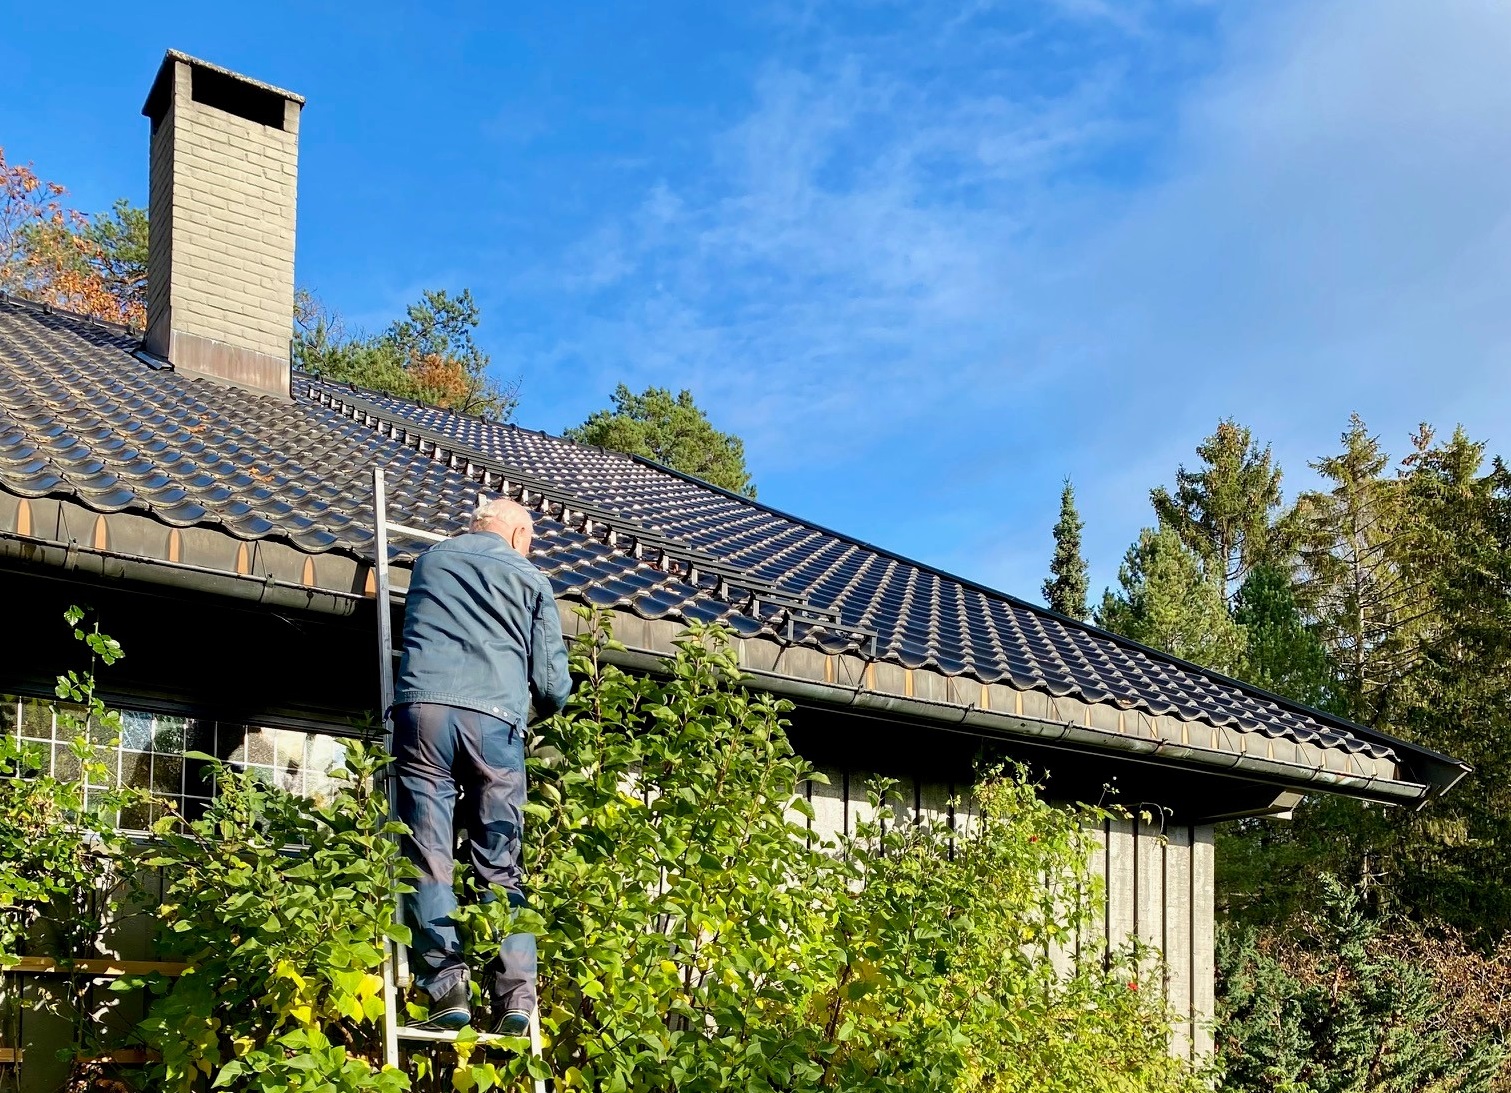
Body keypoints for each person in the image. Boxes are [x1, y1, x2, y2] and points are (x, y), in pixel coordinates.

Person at [392, 494, 571, 1034]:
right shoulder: (530, 578)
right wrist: (523, 708)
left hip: (422, 712)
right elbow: (554, 684)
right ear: (518, 536)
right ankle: (516, 1000)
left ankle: (447, 989)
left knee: (428, 853)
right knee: (500, 860)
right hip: (494, 726)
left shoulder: (431, 561)